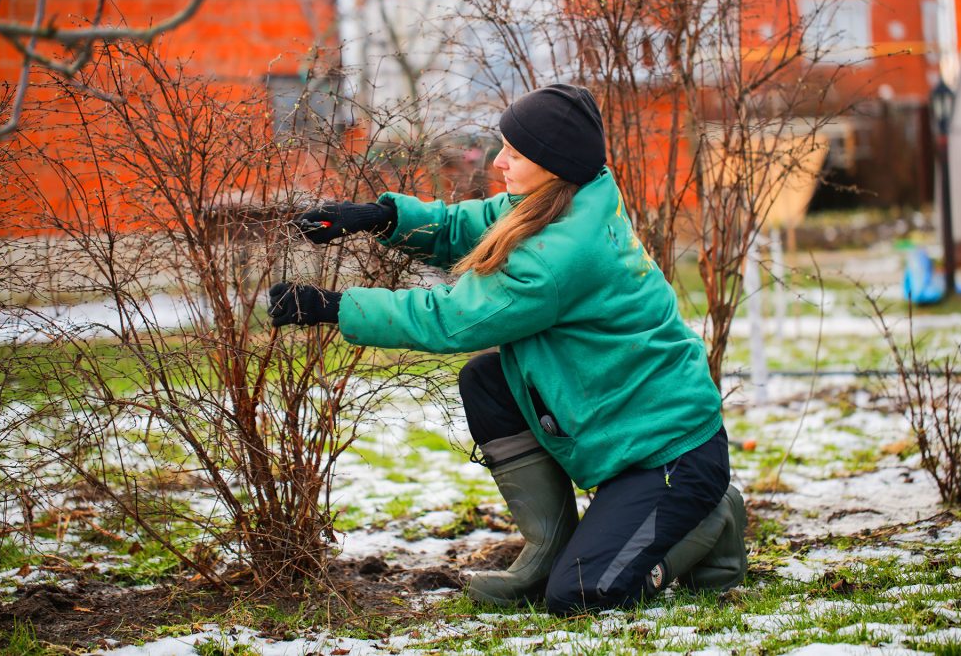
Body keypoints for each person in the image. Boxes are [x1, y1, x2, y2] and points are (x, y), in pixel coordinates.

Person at [268, 84, 747, 614]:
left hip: (669, 457)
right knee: (489, 382)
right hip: (627, 435)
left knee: (585, 596)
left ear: (553, 161)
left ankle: (713, 519)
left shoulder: (558, 256)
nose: (499, 161)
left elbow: (452, 319)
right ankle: (553, 546)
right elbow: (468, 226)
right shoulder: (572, 199)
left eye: (514, 152)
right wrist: (378, 218)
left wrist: (335, 307)